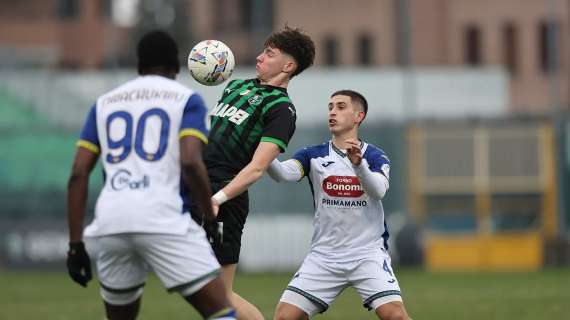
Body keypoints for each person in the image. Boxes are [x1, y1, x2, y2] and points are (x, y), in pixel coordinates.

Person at [66, 30, 236, 320]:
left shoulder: (105, 103)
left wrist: (75, 245)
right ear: (178, 66)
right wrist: (208, 216)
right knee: (220, 312)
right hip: (163, 217)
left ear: (138, 65)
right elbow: (191, 162)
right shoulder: (186, 100)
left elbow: (79, 173)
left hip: (112, 222)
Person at [189, 26, 315, 320]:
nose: (258, 57)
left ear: (288, 66)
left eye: (268, 54)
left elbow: (258, 167)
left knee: (218, 293)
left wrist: (218, 198)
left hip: (223, 197)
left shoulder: (282, 110)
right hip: (197, 189)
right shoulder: (236, 86)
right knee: (200, 286)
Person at [268, 90, 411, 320]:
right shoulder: (312, 155)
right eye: (330, 107)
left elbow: (378, 190)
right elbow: (285, 174)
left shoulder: (375, 156)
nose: (333, 112)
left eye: (341, 106)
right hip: (324, 256)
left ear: (358, 116)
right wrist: (264, 153)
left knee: (395, 315)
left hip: (367, 254)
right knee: (285, 316)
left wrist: (359, 165)